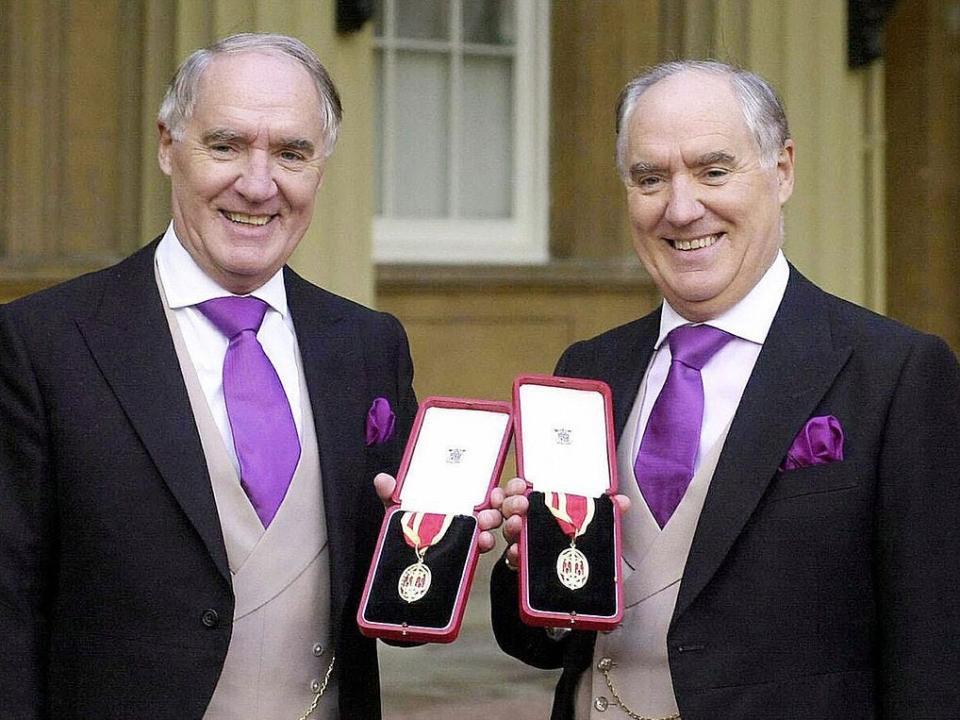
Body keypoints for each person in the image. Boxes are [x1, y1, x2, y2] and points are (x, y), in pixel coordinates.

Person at [0, 32, 495, 720]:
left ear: (320, 167)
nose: (258, 184)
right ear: (168, 145)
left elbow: (393, 594)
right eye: (227, 145)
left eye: (291, 153)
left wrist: (448, 546)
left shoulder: (367, 345)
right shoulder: (42, 343)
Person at [491, 60, 960, 719]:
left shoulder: (896, 373)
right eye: (650, 178)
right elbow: (540, 645)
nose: (681, 209)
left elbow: (934, 654)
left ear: (783, 169)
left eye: (713, 171)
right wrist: (528, 567)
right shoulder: (590, 367)